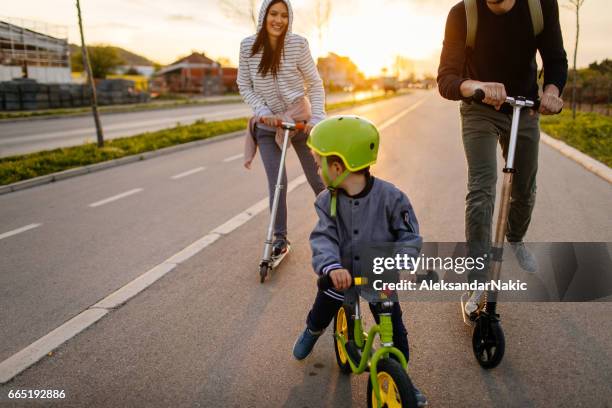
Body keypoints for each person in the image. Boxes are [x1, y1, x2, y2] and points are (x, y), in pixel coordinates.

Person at [437, 0, 568, 313]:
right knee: (482, 190)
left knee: (524, 189)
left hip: (525, 107)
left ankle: (516, 237)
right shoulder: (462, 13)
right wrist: (478, 85)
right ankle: (478, 280)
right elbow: (446, 80)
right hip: (479, 110)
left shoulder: (540, 6)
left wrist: (552, 91)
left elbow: (555, 59)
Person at [291, 115, 427, 406]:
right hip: (340, 276)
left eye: (319, 163)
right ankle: (312, 330)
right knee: (324, 307)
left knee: (396, 336)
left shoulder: (392, 198)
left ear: (337, 167)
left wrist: (399, 261)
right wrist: (331, 266)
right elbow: (323, 238)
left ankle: (401, 380)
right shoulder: (327, 201)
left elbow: (409, 236)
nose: (317, 169)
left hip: (379, 278)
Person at [237, 0, 326, 258]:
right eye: (273, 14)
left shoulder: (298, 44)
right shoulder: (247, 46)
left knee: (319, 179)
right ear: (264, 15)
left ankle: (340, 229)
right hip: (268, 125)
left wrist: (317, 119)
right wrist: (263, 113)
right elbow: (245, 85)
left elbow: (315, 83)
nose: (279, 20)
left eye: (284, 15)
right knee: (278, 183)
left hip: (299, 121)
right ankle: (279, 239)